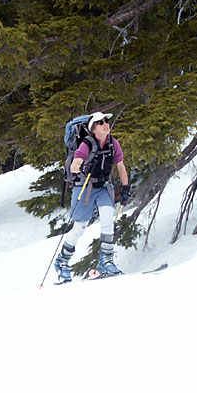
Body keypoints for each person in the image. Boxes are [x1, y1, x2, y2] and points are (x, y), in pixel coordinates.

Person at [54, 112, 131, 283]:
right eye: (101, 122)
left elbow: (120, 166)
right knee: (79, 227)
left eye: (106, 121)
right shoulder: (86, 144)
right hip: (85, 187)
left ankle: (106, 261)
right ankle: (62, 262)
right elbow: (74, 166)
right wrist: (83, 170)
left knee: (107, 219)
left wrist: (125, 188)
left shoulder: (113, 143)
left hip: (104, 186)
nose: (106, 124)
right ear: (93, 128)